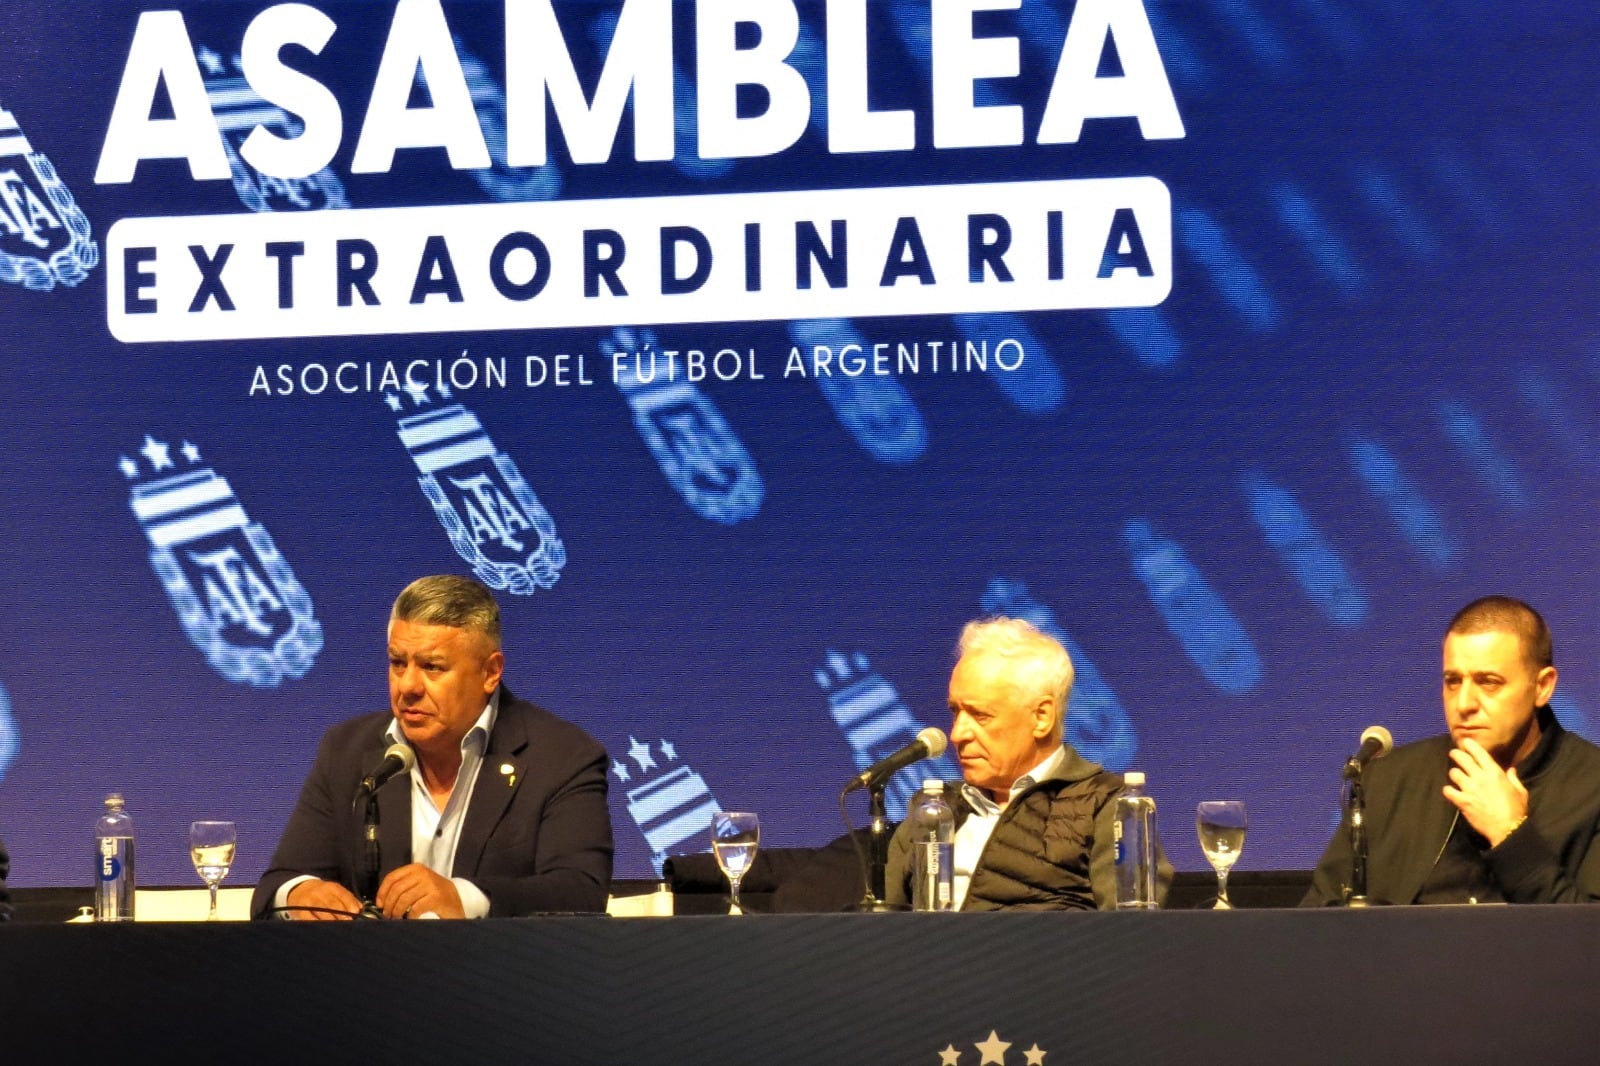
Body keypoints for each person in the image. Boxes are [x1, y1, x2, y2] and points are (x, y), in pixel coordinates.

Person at [251, 575, 612, 919]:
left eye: (432, 667)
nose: (408, 685)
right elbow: (275, 888)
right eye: (397, 663)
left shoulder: (562, 757)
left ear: (490, 672)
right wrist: (299, 894)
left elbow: (580, 891)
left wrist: (464, 898)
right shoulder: (346, 751)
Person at [1303, 595, 1600, 906]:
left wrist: (1512, 837)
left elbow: (1587, 941)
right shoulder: (1388, 781)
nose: (1463, 704)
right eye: (1453, 681)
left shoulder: (1591, 788)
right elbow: (1316, 922)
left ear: (1542, 687)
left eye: (1489, 682)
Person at [886, 616, 1171, 910]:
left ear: (1041, 717)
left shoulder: (1109, 805)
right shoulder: (935, 809)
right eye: (956, 712)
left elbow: (1130, 933)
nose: (957, 734)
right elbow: (884, 931)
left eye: (980, 715)